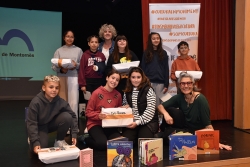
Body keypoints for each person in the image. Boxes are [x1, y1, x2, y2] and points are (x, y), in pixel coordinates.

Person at [157, 72, 232, 150]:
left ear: (193, 85)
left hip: (197, 133)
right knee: (170, 114)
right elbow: (160, 106)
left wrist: (216, 142)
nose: (186, 86)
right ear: (179, 85)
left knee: (168, 139)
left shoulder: (200, 100)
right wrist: (166, 114)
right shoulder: (180, 97)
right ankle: (165, 134)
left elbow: (208, 126)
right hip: (185, 130)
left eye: (188, 83)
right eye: (183, 83)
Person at [26, 75, 78, 154]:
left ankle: (59, 140)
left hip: (51, 124)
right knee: (41, 149)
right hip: (39, 127)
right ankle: (32, 139)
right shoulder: (35, 102)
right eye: (51, 87)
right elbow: (31, 123)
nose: (54, 90)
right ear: (44, 88)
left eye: (56, 88)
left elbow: (73, 116)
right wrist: (35, 142)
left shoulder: (60, 101)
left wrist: (74, 134)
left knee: (67, 116)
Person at [79, 70, 122, 150]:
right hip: (95, 124)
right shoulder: (96, 93)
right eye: (112, 78)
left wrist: (123, 109)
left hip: (110, 125)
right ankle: (85, 138)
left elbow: (118, 111)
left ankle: (103, 137)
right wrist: (98, 115)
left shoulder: (118, 95)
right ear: (107, 78)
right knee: (102, 144)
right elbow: (88, 112)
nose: (114, 81)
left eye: (117, 80)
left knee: (119, 143)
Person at [122, 67, 159, 143]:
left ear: (142, 78)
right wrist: (125, 107)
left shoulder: (149, 90)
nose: (136, 80)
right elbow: (125, 105)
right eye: (133, 77)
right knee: (125, 142)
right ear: (129, 78)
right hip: (133, 122)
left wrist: (137, 122)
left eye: (138, 77)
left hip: (148, 123)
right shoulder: (127, 91)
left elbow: (150, 110)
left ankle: (155, 135)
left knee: (143, 143)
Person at [52, 30, 83, 120]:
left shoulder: (78, 50)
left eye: (72, 37)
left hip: (73, 77)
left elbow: (82, 65)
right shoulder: (59, 51)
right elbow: (53, 66)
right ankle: (64, 125)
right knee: (62, 102)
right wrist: (61, 69)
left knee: (73, 102)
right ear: (64, 38)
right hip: (61, 77)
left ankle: (73, 125)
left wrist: (75, 65)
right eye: (68, 36)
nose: (69, 38)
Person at [141, 32, 169, 107]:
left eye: (157, 38)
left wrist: (166, 84)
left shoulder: (164, 53)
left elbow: (166, 69)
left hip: (161, 83)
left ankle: (159, 119)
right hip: (149, 83)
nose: (156, 40)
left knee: (159, 105)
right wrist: (144, 82)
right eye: (153, 39)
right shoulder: (146, 53)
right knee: (149, 105)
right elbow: (143, 68)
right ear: (150, 40)